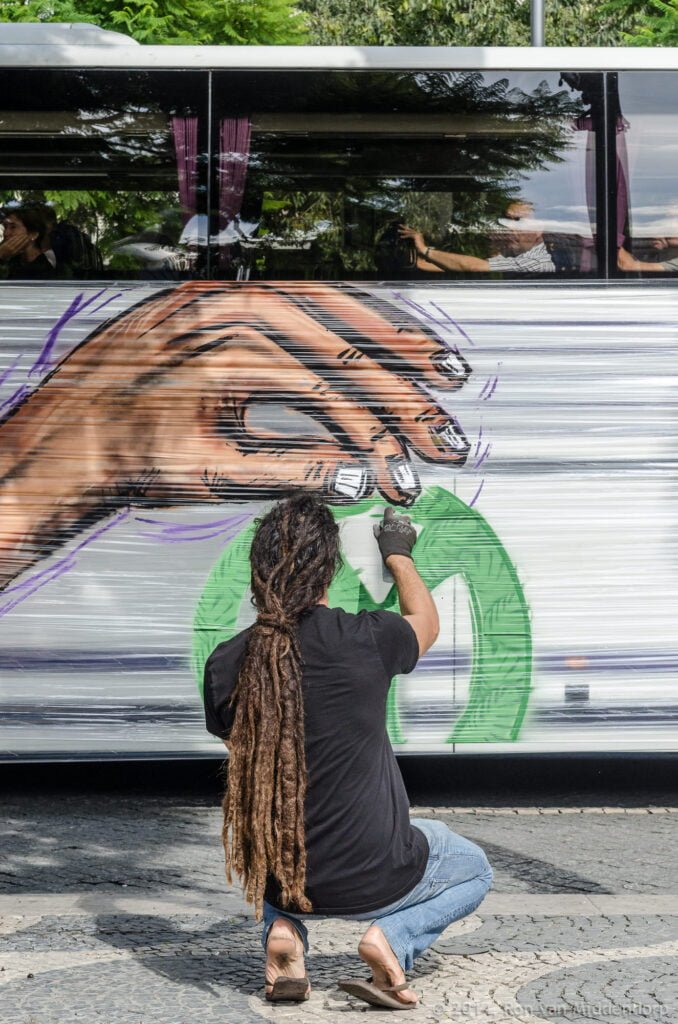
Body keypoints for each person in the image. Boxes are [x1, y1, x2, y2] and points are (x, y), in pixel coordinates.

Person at [202, 494, 493, 1009]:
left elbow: (252, 766)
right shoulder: (367, 639)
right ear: (327, 571)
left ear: (257, 573)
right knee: (470, 864)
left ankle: (284, 934)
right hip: (377, 875)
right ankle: (392, 940)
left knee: (276, 838)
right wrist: (398, 553)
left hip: (287, 882)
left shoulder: (226, 664)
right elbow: (424, 619)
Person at [399, 199, 556, 274]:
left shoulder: (537, 262)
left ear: (539, 229)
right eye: (507, 220)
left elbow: (473, 267)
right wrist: (419, 263)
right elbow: (456, 267)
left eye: (518, 221)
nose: (510, 227)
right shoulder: (514, 254)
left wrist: (425, 250)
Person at [0, 207, 56, 279]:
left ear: (33, 234)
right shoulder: (13, 262)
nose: (6, 233)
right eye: (5, 227)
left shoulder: (42, 267)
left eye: (13, 227)